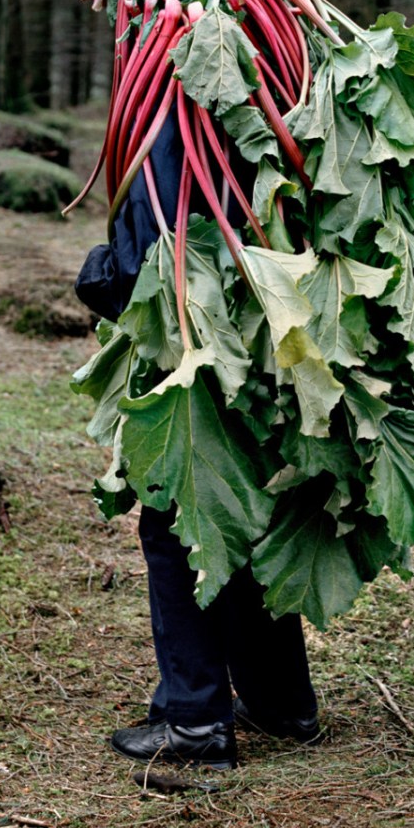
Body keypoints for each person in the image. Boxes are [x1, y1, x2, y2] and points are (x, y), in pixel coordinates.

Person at [75, 112, 319, 771]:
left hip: (203, 343)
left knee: (180, 520)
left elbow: (146, 267)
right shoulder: (276, 92)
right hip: (282, 333)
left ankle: (193, 721)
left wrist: (97, 274)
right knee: (249, 510)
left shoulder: (172, 113)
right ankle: (281, 700)